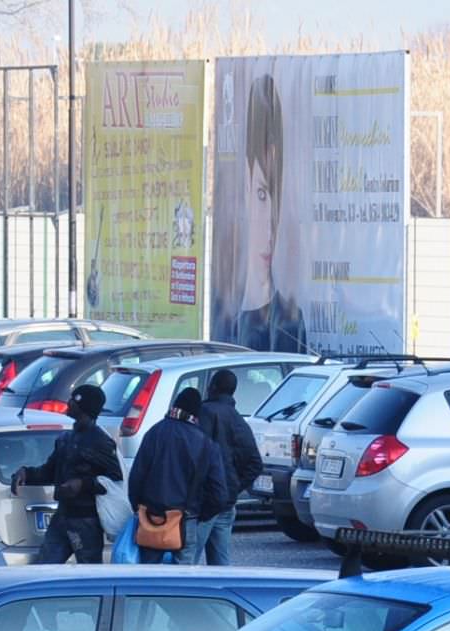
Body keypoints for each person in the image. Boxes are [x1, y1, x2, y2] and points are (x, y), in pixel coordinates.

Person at [215, 75, 306, 353]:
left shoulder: (291, 324)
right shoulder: (223, 317)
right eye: (262, 194)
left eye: (276, 200)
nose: (270, 230)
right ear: (245, 184)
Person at [14, 384, 122, 565]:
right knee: (44, 569)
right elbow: (49, 471)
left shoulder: (99, 441)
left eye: (74, 399)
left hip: (86, 521)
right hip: (62, 516)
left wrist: (83, 484)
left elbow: (115, 480)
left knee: (89, 572)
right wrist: (26, 473)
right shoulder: (66, 439)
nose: (69, 402)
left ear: (83, 406)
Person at [127, 387, 227, 565]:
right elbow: (219, 494)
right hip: (186, 518)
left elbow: (136, 478)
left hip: (151, 516)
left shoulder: (154, 433)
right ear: (196, 414)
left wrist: (138, 506)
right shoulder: (206, 444)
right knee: (183, 580)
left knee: (148, 578)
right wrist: (200, 515)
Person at [195, 368, 264, 565]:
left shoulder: (204, 413)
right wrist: (233, 487)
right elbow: (255, 463)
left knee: (187, 562)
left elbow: (196, 455)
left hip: (204, 501)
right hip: (226, 500)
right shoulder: (238, 419)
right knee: (221, 564)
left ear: (212, 388)